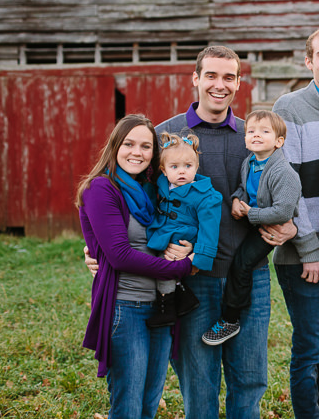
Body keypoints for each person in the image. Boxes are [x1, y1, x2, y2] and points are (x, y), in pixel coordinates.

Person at [86, 46, 283, 417]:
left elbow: (283, 185)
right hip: (191, 278)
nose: (219, 85)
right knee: (198, 379)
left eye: (229, 77)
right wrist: (97, 246)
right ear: (196, 79)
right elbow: (126, 198)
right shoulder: (165, 136)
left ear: (239, 83)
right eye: (211, 75)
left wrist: (289, 224)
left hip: (248, 276)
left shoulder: (252, 136)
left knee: (250, 378)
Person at [77, 114, 195, 418]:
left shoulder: (151, 191)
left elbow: (179, 224)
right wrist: (182, 268)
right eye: (129, 144)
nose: (136, 152)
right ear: (116, 145)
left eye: (145, 146)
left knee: (149, 402)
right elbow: (119, 255)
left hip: (161, 306)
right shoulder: (102, 189)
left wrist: (189, 245)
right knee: (128, 405)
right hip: (125, 308)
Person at [270, 27, 319, 419]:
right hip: (305, 255)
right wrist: (309, 250)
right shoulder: (289, 107)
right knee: (309, 348)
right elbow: (290, 188)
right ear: (309, 61)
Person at [202, 110, 302, 345]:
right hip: (254, 219)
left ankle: (230, 319)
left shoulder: (283, 172)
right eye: (251, 132)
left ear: (279, 141)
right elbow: (243, 188)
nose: (256, 136)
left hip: (270, 228)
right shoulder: (250, 162)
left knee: (243, 263)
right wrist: (237, 198)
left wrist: (250, 213)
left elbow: (283, 212)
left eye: (264, 132)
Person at [145, 132, 222, 328]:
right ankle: (182, 297)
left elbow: (209, 231)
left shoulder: (206, 196)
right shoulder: (161, 185)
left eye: (188, 166)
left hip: (182, 238)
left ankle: (167, 308)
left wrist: (198, 259)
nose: (182, 172)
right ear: (163, 170)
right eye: (174, 167)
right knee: (154, 263)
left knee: (165, 267)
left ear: (196, 167)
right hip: (163, 233)